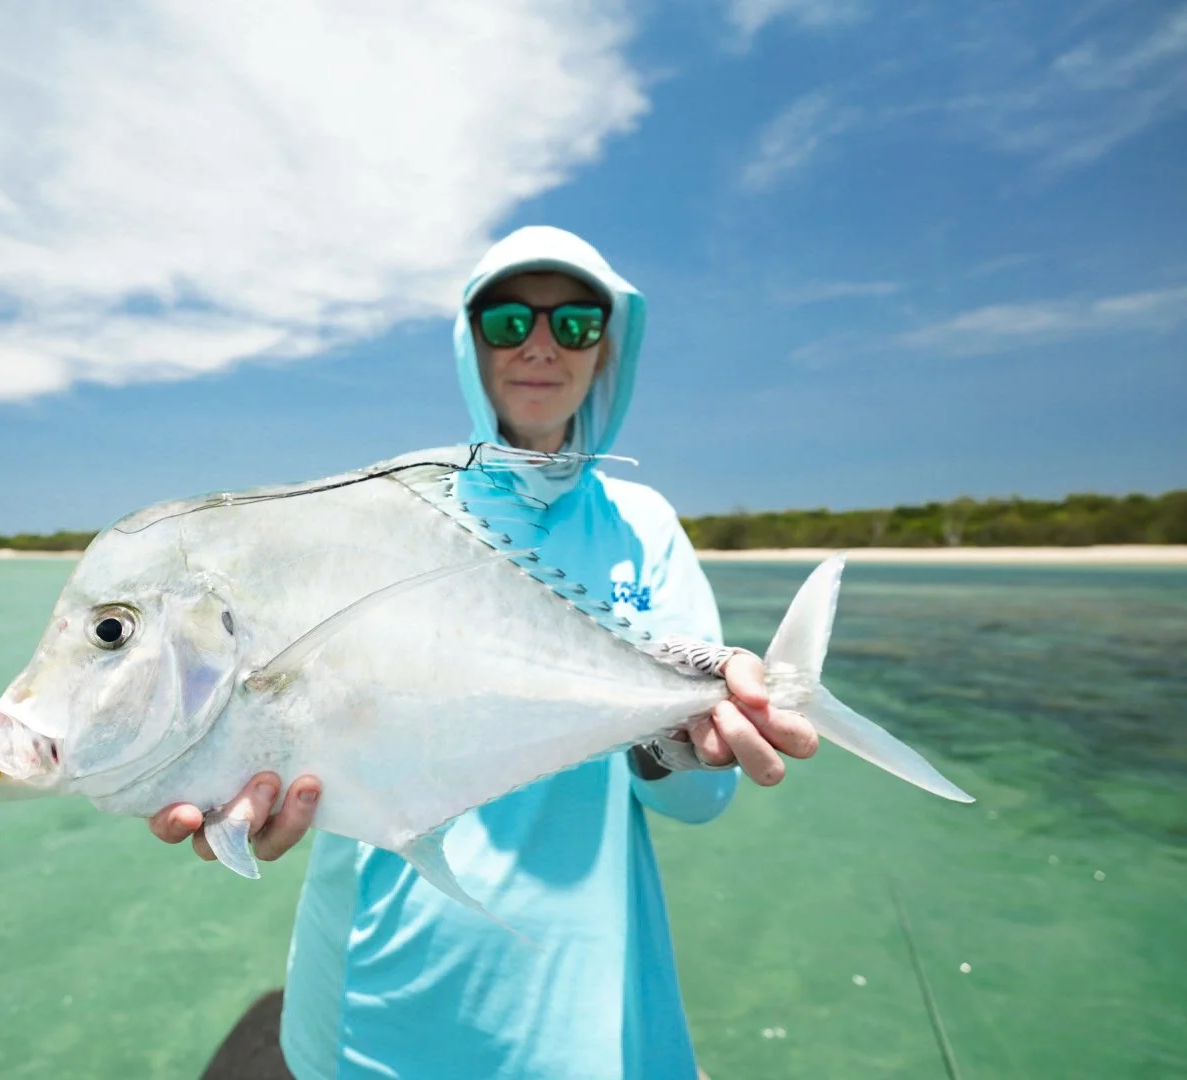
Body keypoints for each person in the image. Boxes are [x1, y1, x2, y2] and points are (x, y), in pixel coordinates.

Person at [150, 226, 818, 1079]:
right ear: (471, 340)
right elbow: (293, 704)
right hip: (372, 990)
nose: (540, 345)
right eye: (509, 321)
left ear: (606, 346)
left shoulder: (644, 527)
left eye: (573, 323)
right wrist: (212, 772)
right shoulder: (385, 512)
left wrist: (680, 741)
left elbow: (698, 805)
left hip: (581, 1006)